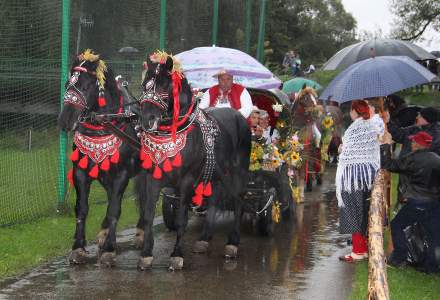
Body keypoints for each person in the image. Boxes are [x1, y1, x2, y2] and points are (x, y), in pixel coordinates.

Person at [381, 131, 440, 272]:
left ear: (417, 144)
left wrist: (385, 147)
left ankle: (399, 258)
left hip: (417, 202)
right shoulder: (437, 159)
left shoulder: (414, 158)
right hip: (434, 203)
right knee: (434, 234)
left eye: (413, 142)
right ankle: (432, 266)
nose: (411, 143)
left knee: (396, 225)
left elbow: (390, 165)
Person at [337, 100, 381, 262]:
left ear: (354, 111)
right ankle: (366, 247)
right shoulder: (373, 123)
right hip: (368, 176)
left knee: (353, 213)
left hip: (352, 178)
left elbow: (347, 152)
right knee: (366, 212)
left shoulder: (356, 127)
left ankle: (358, 251)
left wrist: (342, 149)